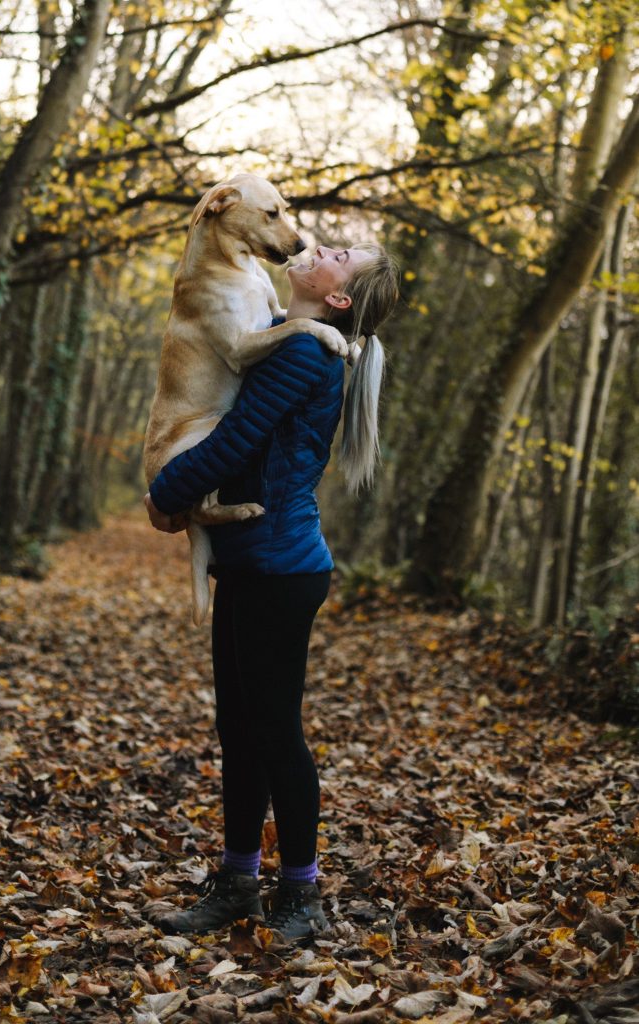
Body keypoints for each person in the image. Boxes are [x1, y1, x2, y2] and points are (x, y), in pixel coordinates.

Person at [144, 243, 399, 941]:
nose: (317, 244)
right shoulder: (285, 342)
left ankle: (302, 893)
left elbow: (237, 443)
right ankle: (236, 881)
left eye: (337, 254)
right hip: (255, 563)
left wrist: (164, 493)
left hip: (282, 569)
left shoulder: (304, 355)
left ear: (338, 300)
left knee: (275, 731)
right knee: (239, 728)